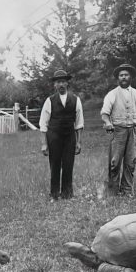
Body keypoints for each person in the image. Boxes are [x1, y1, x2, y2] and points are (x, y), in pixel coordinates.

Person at [101, 63, 136, 196]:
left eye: (126, 75)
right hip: (118, 131)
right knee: (114, 162)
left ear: (130, 77)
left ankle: (127, 191)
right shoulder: (112, 94)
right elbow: (104, 113)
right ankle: (113, 191)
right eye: (121, 75)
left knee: (131, 162)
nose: (124, 77)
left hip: (132, 131)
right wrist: (108, 122)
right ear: (118, 78)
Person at [39, 70, 84, 200]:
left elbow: (79, 123)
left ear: (67, 83)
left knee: (68, 165)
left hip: (69, 137)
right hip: (54, 137)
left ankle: (67, 194)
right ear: (55, 85)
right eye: (58, 82)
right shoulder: (50, 101)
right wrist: (44, 144)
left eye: (64, 81)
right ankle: (54, 194)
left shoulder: (76, 100)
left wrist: (79, 142)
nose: (61, 85)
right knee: (55, 165)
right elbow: (43, 123)